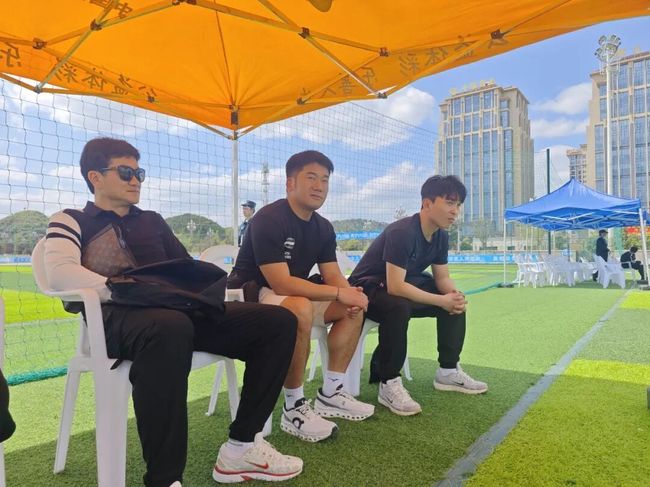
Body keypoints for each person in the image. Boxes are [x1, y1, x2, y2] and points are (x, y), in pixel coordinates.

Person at [44, 138, 303, 487]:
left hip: (177, 313)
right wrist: (130, 290)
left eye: (139, 173)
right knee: (169, 327)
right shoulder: (71, 219)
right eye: (126, 172)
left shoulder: (153, 221)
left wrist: (201, 293)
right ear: (95, 177)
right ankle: (164, 480)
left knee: (277, 321)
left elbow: (184, 269)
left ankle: (241, 448)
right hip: (118, 319)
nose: (136, 180)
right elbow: (60, 274)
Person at [228, 150, 374, 443]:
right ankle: (294, 407)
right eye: (311, 178)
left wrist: (350, 294)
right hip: (249, 293)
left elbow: (332, 274)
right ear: (290, 183)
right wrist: (339, 292)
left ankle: (331, 392)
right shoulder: (269, 218)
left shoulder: (323, 227)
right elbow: (280, 283)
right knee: (299, 308)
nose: (319, 186)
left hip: (293, 293)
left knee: (351, 308)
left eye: (325, 180)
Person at [348, 175, 487, 417]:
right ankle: (388, 382)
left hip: (402, 283)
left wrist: (453, 295)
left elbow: (442, 277)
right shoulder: (402, 232)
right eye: (449, 203)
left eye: (458, 205)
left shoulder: (441, 235)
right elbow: (395, 286)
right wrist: (441, 301)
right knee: (398, 306)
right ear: (427, 203)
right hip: (368, 288)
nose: (455, 211)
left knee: (454, 300)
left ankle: (448, 371)